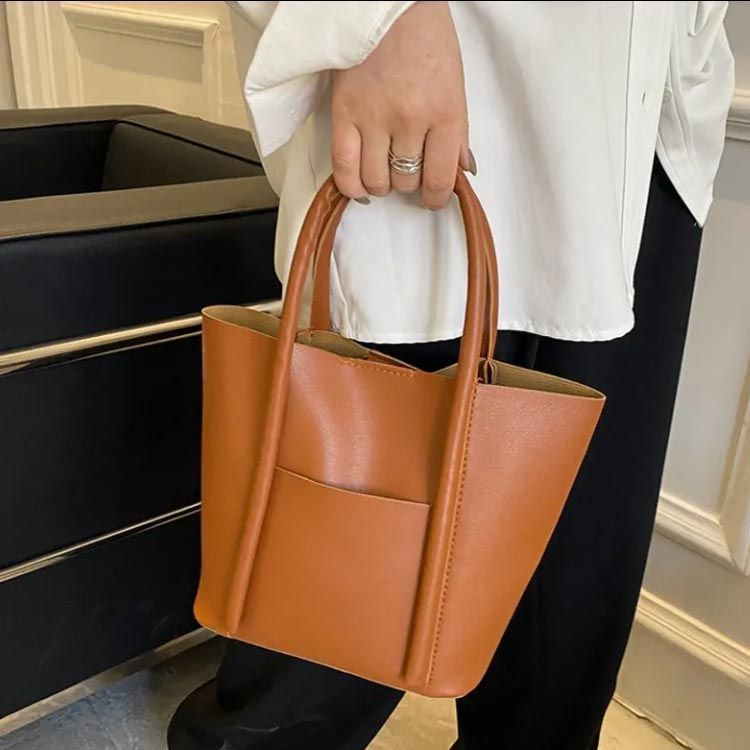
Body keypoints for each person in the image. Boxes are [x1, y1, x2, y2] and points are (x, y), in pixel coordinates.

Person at [169, 2, 734, 748]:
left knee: (567, 624)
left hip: (646, 137)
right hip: (439, 99)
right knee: (320, 629)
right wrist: (379, 18)